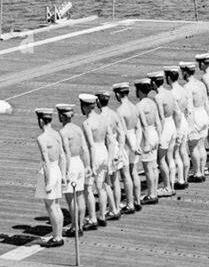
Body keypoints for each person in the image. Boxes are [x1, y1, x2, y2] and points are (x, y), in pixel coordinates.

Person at [33, 108, 66, 247]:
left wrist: (47, 182)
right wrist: (63, 175)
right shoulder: (57, 134)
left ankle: (57, 237)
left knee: (50, 206)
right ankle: (58, 235)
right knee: (56, 205)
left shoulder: (41, 138)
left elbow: (46, 161)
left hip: (49, 171)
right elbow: (63, 155)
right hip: (57, 169)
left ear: (41, 121)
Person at [56, 103, 91, 234]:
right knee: (80, 196)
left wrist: (65, 172)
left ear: (61, 116)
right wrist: (87, 166)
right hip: (80, 163)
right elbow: (85, 149)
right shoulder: (77, 129)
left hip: (71, 164)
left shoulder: (63, 132)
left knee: (71, 198)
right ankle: (80, 225)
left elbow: (67, 154)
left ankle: (75, 227)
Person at [80, 92, 111, 226]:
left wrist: (91, 165)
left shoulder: (86, 123)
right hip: (104, 151)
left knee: (88, 188)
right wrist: (109, 159)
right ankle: (102, 216)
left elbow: (91, 146)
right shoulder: (103, 119)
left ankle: (92, 218)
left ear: (85, 107)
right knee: (101, 186)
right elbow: (110, 139)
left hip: (95, 154)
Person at [117, 81, 145, 212]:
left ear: (118, 94)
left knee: (126, 174)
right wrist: (137, 144)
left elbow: (123, 131)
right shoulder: (135, 107)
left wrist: (132, 146)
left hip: (127, 143)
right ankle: (137, 200)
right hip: (135, 138)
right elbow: (139, 128)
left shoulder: (120, 110)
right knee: (134, 172)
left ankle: (130, 203)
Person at [136, 78, 162, 203]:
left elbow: (144, 126)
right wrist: (159, 137)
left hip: (147, 135)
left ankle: (151, 195)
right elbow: (158, 121)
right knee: (154, 166)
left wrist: (146, 143)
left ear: (140, 91)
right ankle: (154, 191)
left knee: (148, 168)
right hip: (155, 133)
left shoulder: (139, 105)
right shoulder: (152, 102)